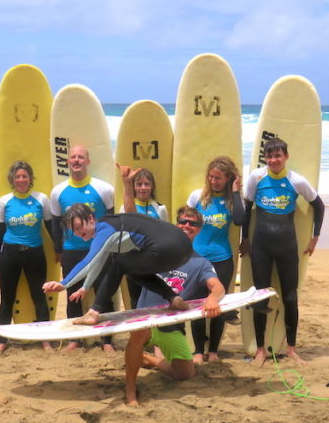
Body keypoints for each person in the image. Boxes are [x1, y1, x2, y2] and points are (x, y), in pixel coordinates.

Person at [124, 206, 225, 407]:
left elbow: (218, 287)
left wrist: (212, 299)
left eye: (193, 223)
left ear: (199, 229)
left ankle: (147, 358)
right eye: (183, 221)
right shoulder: (157, 249)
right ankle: (130, 390)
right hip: (146, 316)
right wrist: (128, 187)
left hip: (170, 323)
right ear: (176, 224)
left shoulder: (200, 262)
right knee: (137, 337)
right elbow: (132, 223)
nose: (187, 226)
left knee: (185, 374)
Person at [240, 137, 325, 366]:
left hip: (287, 245)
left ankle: (291, 348)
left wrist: (315, 237)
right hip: (261, 245)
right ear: (265, 158)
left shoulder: (296, 181)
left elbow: (319, 205)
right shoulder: (256, 178)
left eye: (278, 156)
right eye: (270, 156)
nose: (274, 160)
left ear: (286, 157)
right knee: (260, 297)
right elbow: (247, 208)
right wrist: (245, 239)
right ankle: (259, 349)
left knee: (290, 297)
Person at [42, 204, 194, 324]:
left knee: (119, 263)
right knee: (131, 269)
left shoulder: (105, 230)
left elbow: (88, 262)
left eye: (78, 227)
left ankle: (93, 313)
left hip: (165, 249)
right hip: (184, 249)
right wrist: (85, 287)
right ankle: (174, 299)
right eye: (73, 230)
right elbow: (98, 262)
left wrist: (64, 283)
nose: (77, 233)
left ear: (91, 219)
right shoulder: (111, 225)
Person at [49, 145, 115, 351]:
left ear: (88, 161)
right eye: (73, 157)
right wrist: (58, 249)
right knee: (72, 295)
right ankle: (75, 339)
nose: (76, 160)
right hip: (72, 250)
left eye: (81, 157)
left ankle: (107, 341)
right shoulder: (58, 191)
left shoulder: (104, 189)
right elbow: (55, 223)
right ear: (67, 162)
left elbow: (112, 220)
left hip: (100, 249)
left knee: (103, 294)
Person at [186, 155, 244, 363]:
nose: (213, 181)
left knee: (218, 305)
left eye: (218, 178)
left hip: (222, 259)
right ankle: (199, 351)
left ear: (228, 179)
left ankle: (214, 351)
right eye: (210, 177)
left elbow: (239, 219)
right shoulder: (197, 197)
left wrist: (236, 191)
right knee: (198, 304)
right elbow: (186, 225)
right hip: (197, 259)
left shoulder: (231, 201)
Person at [0, 160, 54, 354]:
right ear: (12, 179)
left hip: (35, 253)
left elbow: (51, 228)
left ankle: (45, 340)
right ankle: (3, 340)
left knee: (39, 297)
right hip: (9, 254)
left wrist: (60, 249)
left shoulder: (41, 199)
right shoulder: (4, 201)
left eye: (24, 176)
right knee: (7, 299)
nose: (21, 180)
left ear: (30, 179)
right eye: (17, 176)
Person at [117, 164, 169, 308]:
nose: (143, 188)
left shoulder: (160, 208)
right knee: (136, 302)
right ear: (133, 187)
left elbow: (165, 236)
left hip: (155, 263)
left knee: (157, 300)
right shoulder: (125, 207)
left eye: (147, 184)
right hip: (134, 263)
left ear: (152, 187)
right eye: (139, 184)